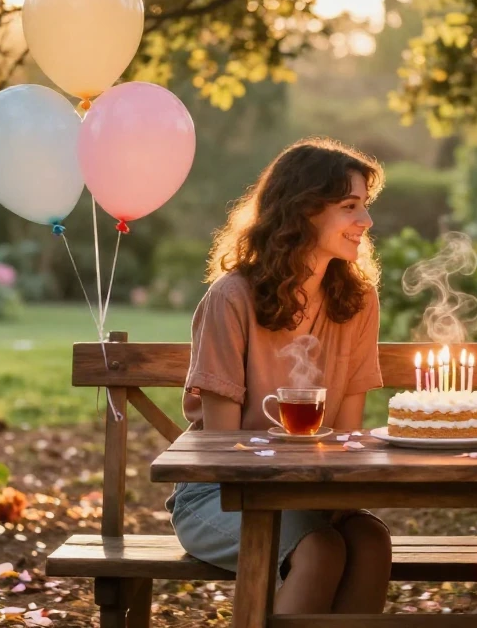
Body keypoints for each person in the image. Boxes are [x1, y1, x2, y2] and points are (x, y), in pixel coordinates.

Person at [167, 137, 392, 614]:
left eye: (365, 206)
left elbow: (348, 433)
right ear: (304, 210)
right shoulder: (233, 298)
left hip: (314, 486)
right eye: (351, 206)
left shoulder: (357, 302)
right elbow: (224, 451)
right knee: (321, 548)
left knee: (371, 541)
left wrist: (327, 493)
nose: (366, 222)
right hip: (220, 495)